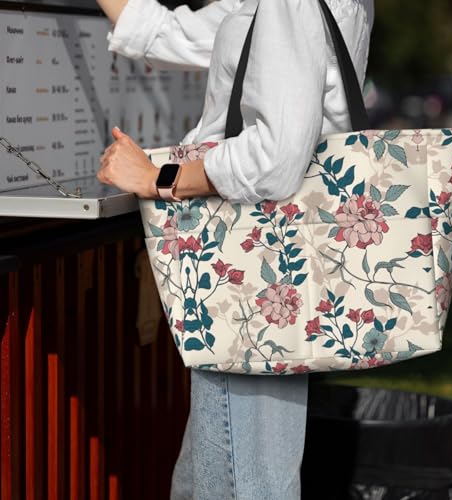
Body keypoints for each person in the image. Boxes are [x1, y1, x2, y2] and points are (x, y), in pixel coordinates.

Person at [96, 0, 374, 498]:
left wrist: (160, 178)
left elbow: (275, 158)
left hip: (253, 266)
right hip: (275, 262)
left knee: (244, 480)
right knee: (219, 473)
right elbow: (169, 33)